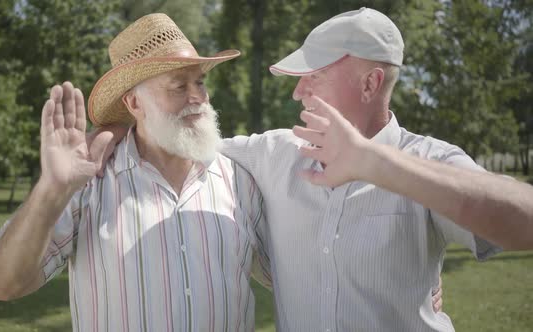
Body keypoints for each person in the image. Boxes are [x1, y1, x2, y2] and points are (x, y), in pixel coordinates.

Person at [219, 7, 533, 331]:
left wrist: (373, 162)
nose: (298, 92)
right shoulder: (274, 154)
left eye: (314, 76)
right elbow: (184, 146)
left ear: (370, 84)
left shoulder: (430, 159)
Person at [0, 14, 272, 331]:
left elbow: (294, 279)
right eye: (179, 86)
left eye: (200, 82)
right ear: (135, 102)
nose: (198, 97)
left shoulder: (238, 180)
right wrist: (51, 188)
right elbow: (4, 285)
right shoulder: (89, 183)